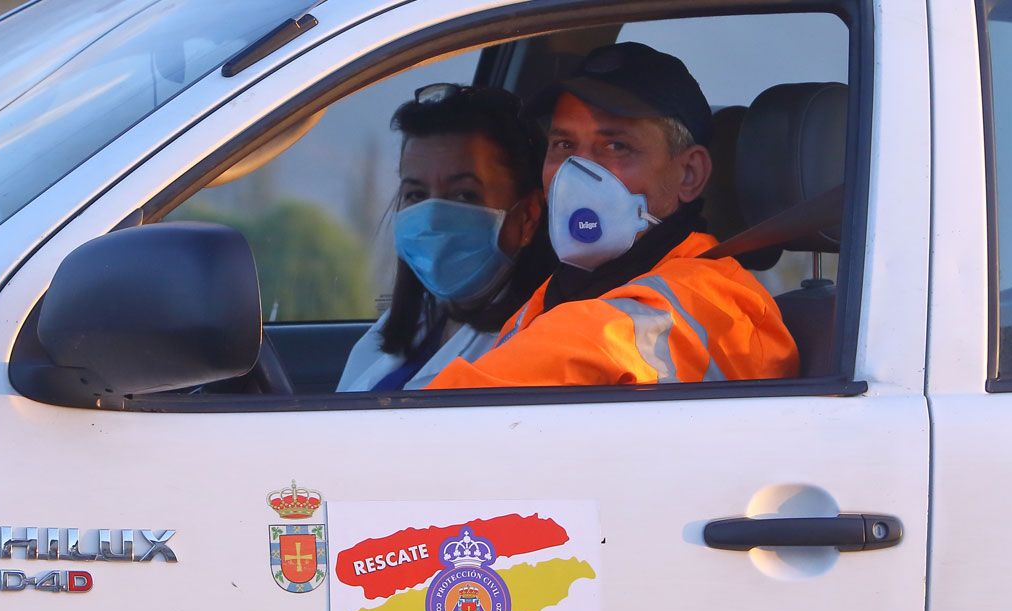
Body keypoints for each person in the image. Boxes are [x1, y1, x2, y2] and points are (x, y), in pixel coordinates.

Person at [426, 42, 798, 389]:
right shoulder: (568, 287)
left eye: (616, 146)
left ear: (689, 174)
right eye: (564, 145)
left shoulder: (715, 303)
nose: (577, 171)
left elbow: (588, 343)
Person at [337, 84, 556, 391]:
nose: (433, 217)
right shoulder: (424, 319)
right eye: (416, 194)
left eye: (465, 195)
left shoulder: (533, 350)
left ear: (528, 216)